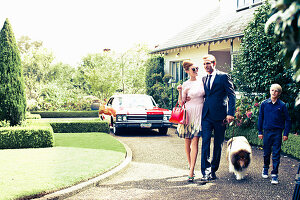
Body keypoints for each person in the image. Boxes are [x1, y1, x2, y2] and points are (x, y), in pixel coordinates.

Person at [200, 54, 236, 181]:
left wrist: (230, 113)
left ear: (214, 64)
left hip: (220, 116)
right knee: (205, 142)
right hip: (206, 116)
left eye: (208, 63)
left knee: (218, 144)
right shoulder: (204, 78)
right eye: (204, 64)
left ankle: (213, 170)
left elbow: (232, 95)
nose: (206, 66)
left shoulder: (223, 77)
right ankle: (205, 171)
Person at [176, 61, 205, 182]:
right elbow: (181, 102)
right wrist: (180, 91)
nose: (196, 70)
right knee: (187, 141)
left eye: (197, 68)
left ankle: (192, 170)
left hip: (200, 113)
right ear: (187, 71)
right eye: (194, 69)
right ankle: (190, 164)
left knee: (195, 141)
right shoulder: (185, 84)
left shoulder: (203, 81)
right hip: (188, 114)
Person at [258, 83, 291, 185]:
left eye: (276, 91)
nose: (274, 92)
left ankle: (274, 174)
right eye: (272, 90)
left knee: (276, 154)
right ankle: (265, 167)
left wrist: (285, 133)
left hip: (277, 133)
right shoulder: (264, 104)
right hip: (267, 132)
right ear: (270, 91)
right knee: (266, 153)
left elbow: (288, 120)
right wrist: (260, 131)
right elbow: (260, 118)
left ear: (279, 93)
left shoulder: (282, 105)